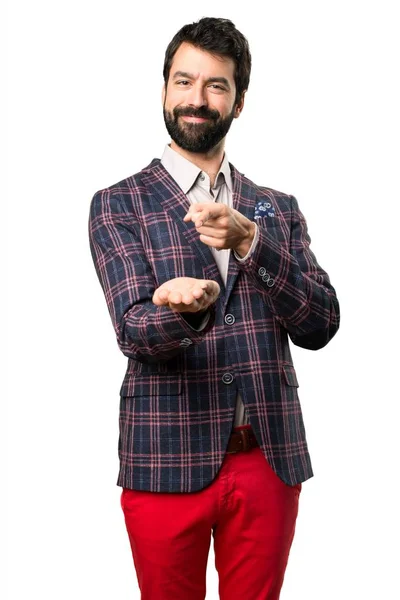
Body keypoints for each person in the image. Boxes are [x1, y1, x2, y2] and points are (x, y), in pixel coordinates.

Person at [88, 16, 340, 600]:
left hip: (268, 459)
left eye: (216, 85)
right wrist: (183, 309)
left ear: (239, 101)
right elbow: (133, 329)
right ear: (164, 89)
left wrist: (252, 243)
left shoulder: (276, 208)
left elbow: (321, 322)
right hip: (164, 457)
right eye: (184, 82)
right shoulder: (118, 204)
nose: (197, 100)